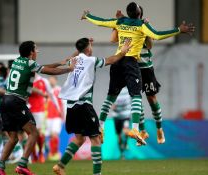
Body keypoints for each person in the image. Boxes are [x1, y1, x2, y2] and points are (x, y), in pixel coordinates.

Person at [82, 2, 195, 144]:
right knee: (136, 97)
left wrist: (88, 15)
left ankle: (157, 129)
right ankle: (139, 130)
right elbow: (158, 35)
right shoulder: (137, 24)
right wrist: (178, 29)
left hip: (135, 65)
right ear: (138, 14)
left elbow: (102, 22)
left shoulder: (129, 23)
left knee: (142, 98)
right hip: (131, 63)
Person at [0, 40, 77, 175]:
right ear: (31, 52)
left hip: (5, 101)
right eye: (35, 50)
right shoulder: (30, 63)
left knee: (13, 138)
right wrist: (69, 69)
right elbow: (49, 71)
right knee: (34, 133)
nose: (36, 52)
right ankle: (22, 165)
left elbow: (41, 67)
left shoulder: (18, 61)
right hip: (16, 102)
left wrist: (61, 63)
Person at [53, 38, 131, 175]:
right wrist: (123, 51)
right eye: (90, 46)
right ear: (88, 48)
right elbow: (111, 60)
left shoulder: (74, 60)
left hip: (71, 106)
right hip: (83, 104)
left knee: (79, 139)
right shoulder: (91, 60)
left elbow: (75, 55)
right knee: (95, 138)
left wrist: (81, 47)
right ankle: (97, 174)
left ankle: (60, 166)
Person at [110, 7, 165, 145]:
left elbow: (150, 46)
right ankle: (142, 131)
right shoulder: (125, 26)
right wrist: (118, 23)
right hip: (131, 67)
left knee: (151, 98)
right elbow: (114, 40)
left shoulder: (143, 26)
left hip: (146, 67)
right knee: (136, 98)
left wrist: (147, 29)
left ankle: (159, 128)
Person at [28, 74, 60, 163]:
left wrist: (57, 107)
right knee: (30, 134)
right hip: (28, 109)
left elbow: (51, 94)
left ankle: (41, 153)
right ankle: (34, 155)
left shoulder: (43, 81)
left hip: (40, 111)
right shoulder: (26, 79)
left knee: (38, 132)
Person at [46, 76, 65, 161]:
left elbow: (64, 103)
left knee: (55, 134)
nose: (51, 81)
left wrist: (64, 115)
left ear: (56, 80)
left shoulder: (59, 90)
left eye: (52, 79)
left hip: (57, 116)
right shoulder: (46, 91)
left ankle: (55, 153)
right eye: (50, 80)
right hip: (47, 117)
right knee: (50, 136)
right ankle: (51, 153)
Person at [111, 87, 131, 160]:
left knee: (126, 131)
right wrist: (113, 106)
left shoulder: (128, 90)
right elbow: (112, 104)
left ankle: (126, 143)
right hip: (117, 116)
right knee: (119, 136)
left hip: (126, 115)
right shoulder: (114, 90)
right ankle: (122, 154)